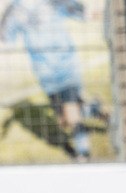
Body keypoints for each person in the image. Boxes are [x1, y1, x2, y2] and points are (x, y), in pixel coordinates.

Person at [1, 0, 92, 159]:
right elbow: (5, 38)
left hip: (66, 63)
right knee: (62, 120)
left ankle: (83, 154)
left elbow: (80, 11)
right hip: (44, 72)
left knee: (71, 112)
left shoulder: (53, 1)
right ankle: (93, 109)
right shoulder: (14, 10)